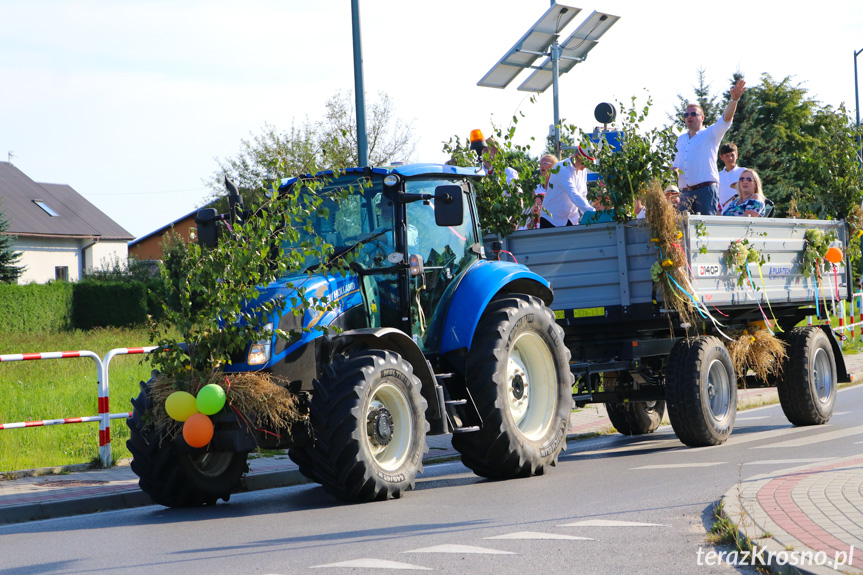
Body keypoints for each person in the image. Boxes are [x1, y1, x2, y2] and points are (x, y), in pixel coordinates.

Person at [673, 78, 747, 215]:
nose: (689, 116)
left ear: (702, 117)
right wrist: (673, 171)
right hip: (685, 193)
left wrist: (734, 100)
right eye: (686, 114)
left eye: (694, 114)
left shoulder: (710, 133)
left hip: (705, 191)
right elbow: (676, 164)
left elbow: (726, 119)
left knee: (705, 231)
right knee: (683, 232)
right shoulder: (681, 140)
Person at [539, 146, 597, 228]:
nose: (586, 166)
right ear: (577, 156)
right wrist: (592, 213)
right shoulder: (562, 168)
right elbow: (573, 194)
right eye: (586, 162)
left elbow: (583, 195)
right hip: (551, 220)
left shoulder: (582, 171)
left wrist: (588, 215)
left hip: (571, 220)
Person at [521, 154, 557, 229]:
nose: (541, 166)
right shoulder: (536, 188)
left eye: (545, 163)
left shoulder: (557, 187)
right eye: (540, 163)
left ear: (553, 166)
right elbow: (534, 207)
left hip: (555, 222)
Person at [718, 142, 746, 210]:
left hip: (740, 211)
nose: (730, 158)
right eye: (727, 155)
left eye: (732, 155)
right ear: (721, 157)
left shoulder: (744, 172)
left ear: (737, 155)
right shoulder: (717, 175)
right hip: (722, 214)